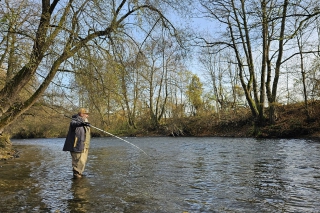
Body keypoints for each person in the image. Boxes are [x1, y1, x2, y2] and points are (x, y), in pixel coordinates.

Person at [63, 108, 91, 179]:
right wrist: (80, 123)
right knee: (78, 162)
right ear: (81, 114)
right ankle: (77, 177)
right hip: (76, 145)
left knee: (82, 162)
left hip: (84, 145)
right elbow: (73, 124)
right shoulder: (75, 119)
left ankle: (79, 175)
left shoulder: (85, 121)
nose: (87, 116)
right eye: (86, 114)